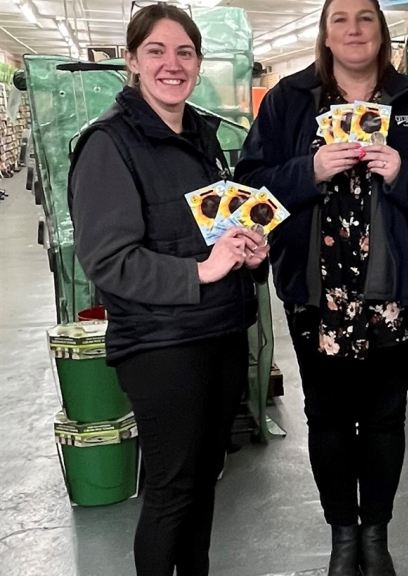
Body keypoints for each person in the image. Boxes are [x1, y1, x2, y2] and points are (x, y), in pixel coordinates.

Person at [234, 0, 408, 574]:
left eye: (366, 17)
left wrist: (403, 175)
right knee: (329, 416)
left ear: (382, 32)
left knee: (386, 416)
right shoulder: (290, 99)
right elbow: (251, 184)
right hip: (318, 291)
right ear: (326, 34)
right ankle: (343, 535)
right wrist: (308, 171)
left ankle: (376, 536)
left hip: (397, 291)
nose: (354, 28)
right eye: (341, 18)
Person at [69, 4, 268, 575]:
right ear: (132, 61)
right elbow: (109, 261)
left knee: (204, 484)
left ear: (199, 63)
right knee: (172, 490)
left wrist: (246, 255)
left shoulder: (200, 136)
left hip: (218, 335)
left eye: (184, 52)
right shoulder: (109, 144)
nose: (171, 64)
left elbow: (212, 231)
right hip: (161, 348)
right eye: (156, 51)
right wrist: (201, 271)